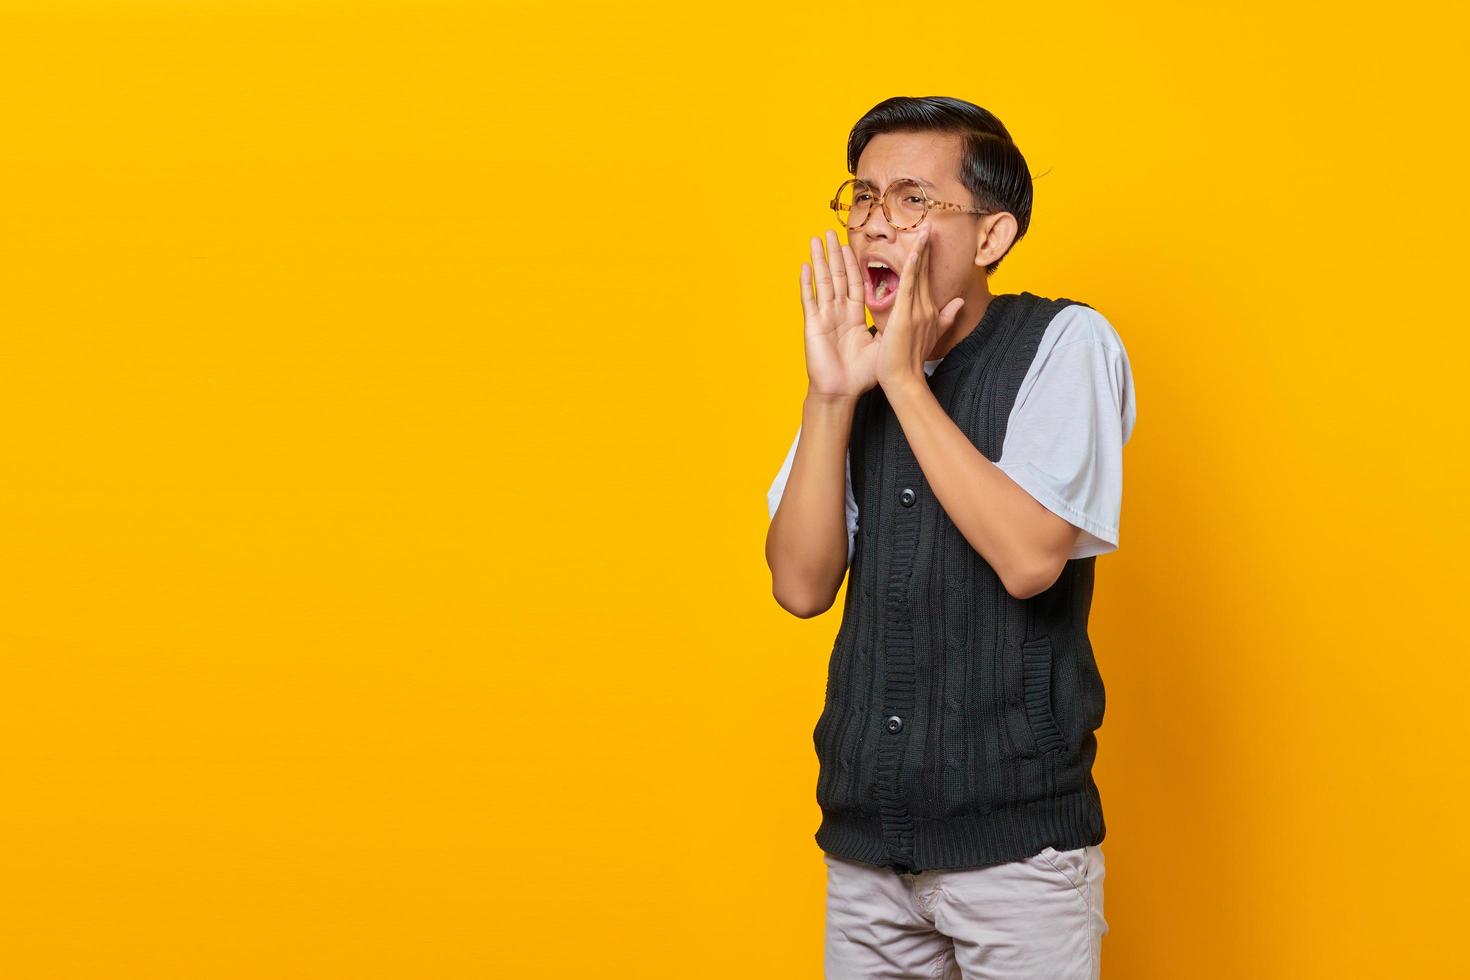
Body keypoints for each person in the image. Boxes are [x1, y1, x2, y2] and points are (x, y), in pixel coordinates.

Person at [764, 96, 1136, 979]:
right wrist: (831, 396)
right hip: (866, 855)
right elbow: (801, 585)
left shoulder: (1064, 343)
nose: (873, 226)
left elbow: (1030, 559)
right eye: (862, 198)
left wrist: (903, 384)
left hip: (1016, 861)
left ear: (992, 237)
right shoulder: (852, 370)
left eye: (910, 201)